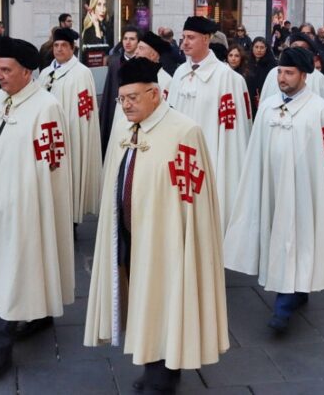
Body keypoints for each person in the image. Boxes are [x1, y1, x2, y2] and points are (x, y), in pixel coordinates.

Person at [85, 58, 228, 394]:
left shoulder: (184, 131)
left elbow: (194, 199)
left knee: (166, 300)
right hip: (128, 234)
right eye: (122, 99)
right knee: (140, 299)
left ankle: (164, 372)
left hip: (167, 239)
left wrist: (182, 239)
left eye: (133, 97)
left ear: (154, 93)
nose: (127, 105)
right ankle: (152, 361)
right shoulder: (124, 127)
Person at [0, 37, 74, 376]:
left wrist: (33, 205)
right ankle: (39, 314)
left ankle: (0, 349)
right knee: (5, 268)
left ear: (27, 72)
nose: (0, 76)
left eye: (7, 70)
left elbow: (51, 166)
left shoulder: (45, 107)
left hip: (24, 208)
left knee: (15, 269)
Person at [225, 47, 324, 332]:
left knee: (297, 241)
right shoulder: (268, 105)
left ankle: (283, 306)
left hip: (305, 191)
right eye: (280, 72)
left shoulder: (321, 111)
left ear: (304, 75)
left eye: (289, 73)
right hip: (273, 188)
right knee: (282, 240)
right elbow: (256, 148)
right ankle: (297, 291)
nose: (282, 78)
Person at [169, 17, 252, 232]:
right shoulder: (179, 74)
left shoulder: (227, 78)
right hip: (180, 155)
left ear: (206, 39)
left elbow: (233, 133)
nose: (185, 42)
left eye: (191, 37)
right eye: (183, 37)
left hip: (212, 155)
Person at [38, 28, 104, 226]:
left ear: (72, 48)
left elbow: (85, 111)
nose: (58, 50)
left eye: (63, 46)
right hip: (48, 133)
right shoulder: (46, 73)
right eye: (56, 45)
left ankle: (71, 222)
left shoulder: (81, 73)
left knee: (69, 176)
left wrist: (74, 133)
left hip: (70, 133)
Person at [98, 25, 140, 154]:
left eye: (132, 39)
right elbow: (109, 89)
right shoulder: (115, 62)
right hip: (115, 108)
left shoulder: (142, 63)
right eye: (125, 38)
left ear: (138, 42)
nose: (128, 42)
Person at [260, 33, 324, 102]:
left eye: (303, 47)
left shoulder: (318, 77)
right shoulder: (274, 72)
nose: (298, 50)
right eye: (295, 46)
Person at [247, 37, 276, 115]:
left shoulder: (272, 64)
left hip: (266, 98)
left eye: (262, 47)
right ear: (252, 47)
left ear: (266, 48)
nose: (259, 50)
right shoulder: (247, 62)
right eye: (256, 47)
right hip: (250, 98)